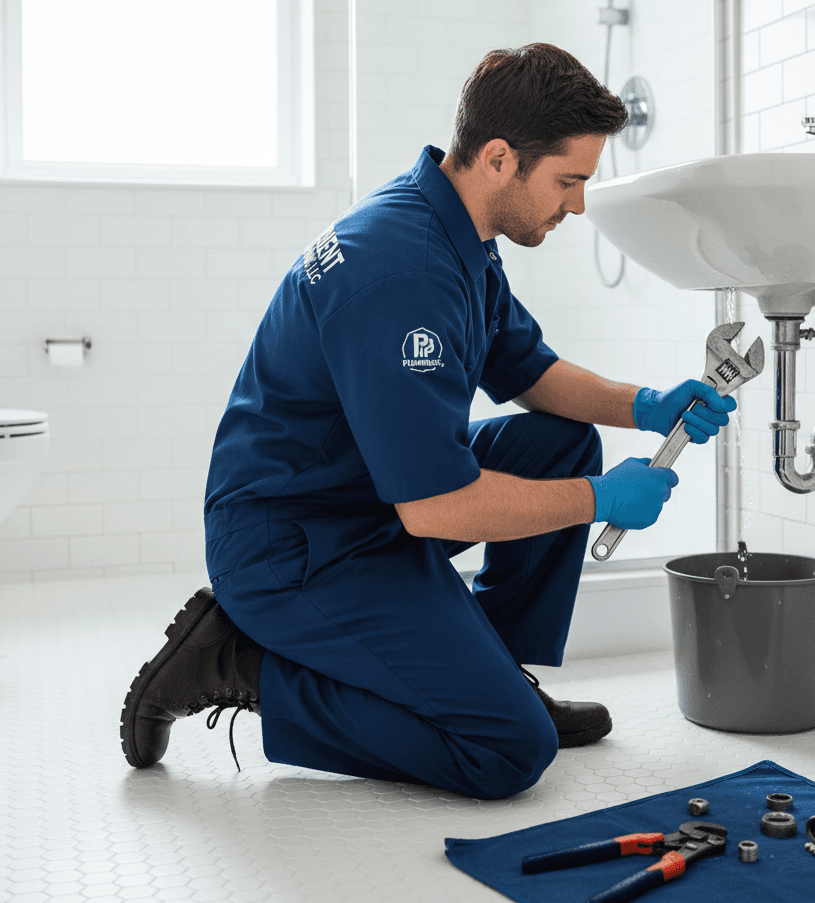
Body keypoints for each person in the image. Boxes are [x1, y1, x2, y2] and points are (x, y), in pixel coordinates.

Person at [119, 43, 735, 800]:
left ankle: (489, 672)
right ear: (502, 158)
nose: (577, 204)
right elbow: (436, 506)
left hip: (357, 500)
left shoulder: (455, 231)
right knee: (508, 750)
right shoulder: (401, 272)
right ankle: (236, 665)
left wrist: (646, 406)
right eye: (568, 181)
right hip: (291, 546)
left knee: (561, 443)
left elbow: (529, 372)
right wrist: (601, 500)